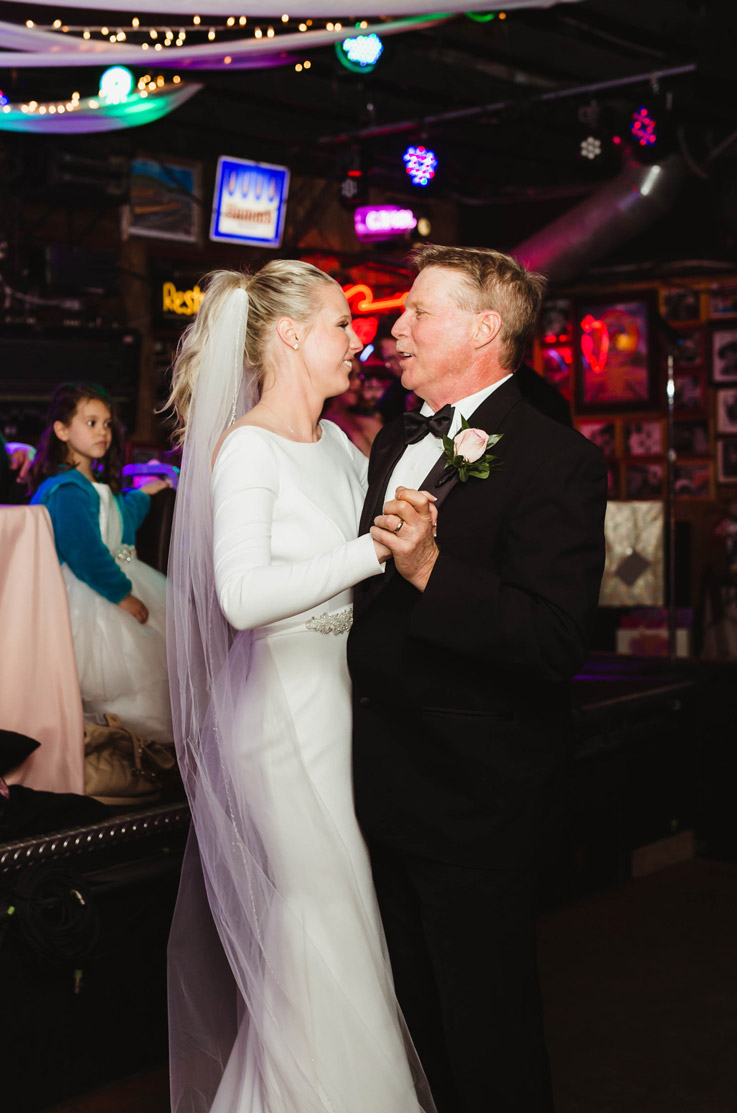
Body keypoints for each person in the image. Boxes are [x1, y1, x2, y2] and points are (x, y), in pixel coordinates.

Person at [165, 263, 437, 1113]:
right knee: (324, 927)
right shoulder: (247, 448)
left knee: (323, 935)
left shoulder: (336, 443)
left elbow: (370, 547)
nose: (355, 340)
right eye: (337, 324)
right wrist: (371, 554)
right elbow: (241, 598)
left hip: (337, 713)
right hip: (278, 723)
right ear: (289, 336)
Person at [348, 244, 608, 1113]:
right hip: (376, 789)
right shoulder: (394, 438)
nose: (398, 326)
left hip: (474, 805)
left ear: (485, 328)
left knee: (487, 1036)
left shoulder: (555, 460)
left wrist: (430, 570)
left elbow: (554, 637)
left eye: (420, 310)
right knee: (408, 1035)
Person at [29, 382, 173, 743]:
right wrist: (124, 596)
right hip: (91, 597)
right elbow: (86, 553)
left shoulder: (89, 485)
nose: (103, 432)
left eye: (107, 424)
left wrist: (141, 494)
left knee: (138, 678)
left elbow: (117, 521)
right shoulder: (66, 489)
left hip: (108, 585)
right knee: (113, 679)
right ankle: (112, 755)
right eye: (90, 423)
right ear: (62, 430)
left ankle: (135, 754)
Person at [322, 356, 382, 456]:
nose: (358, 383)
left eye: (359, 376)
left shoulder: (371, 425)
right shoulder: (316, 427)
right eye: (350, 376)